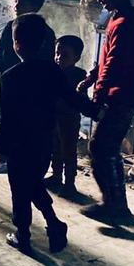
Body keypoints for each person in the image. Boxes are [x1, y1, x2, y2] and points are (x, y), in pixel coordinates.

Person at [0, 15, 93, 255]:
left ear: (16, 44)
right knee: (32, 184)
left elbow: (5, 117)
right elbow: (73, 98)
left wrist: (2, 147)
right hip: (43, 142)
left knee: (21, 189)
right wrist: (98, 111)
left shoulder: (10, 76)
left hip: (19, 144)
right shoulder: (52, 71)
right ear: (43, 43)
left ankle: (24, 234)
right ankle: (54, 224)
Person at [79, 0, 134, 220]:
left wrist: (98, 95)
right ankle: (116, 203)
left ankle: (114, 205)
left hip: (120, 95)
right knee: (106, 149)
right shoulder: (122, 20)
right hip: (125, 93)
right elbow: (108, 58)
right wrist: (92, 76)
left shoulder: (123, 24)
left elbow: (113, 64)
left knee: (100, 148)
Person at [0, 0, 53, 175]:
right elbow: (1, 50)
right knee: (8, 119)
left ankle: (8, 158)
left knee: (13, 120)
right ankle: (5, 158)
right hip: (12, 81)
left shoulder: (41, 32)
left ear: (35, 6)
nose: (16, 6)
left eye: (21, 2)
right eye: (16, 2)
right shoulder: (14, 26)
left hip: (23, 84)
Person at [47, 35, 88, 192]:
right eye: (57, 53)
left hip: (69, 118)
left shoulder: (79, 75)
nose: (58, 58)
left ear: (76, 58)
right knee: (55, 147)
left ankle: (70, 182)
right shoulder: (52, 70)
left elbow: (79, 98)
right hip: (53, 116)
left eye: (65, 55)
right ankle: (56, 175)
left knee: (68, 150)